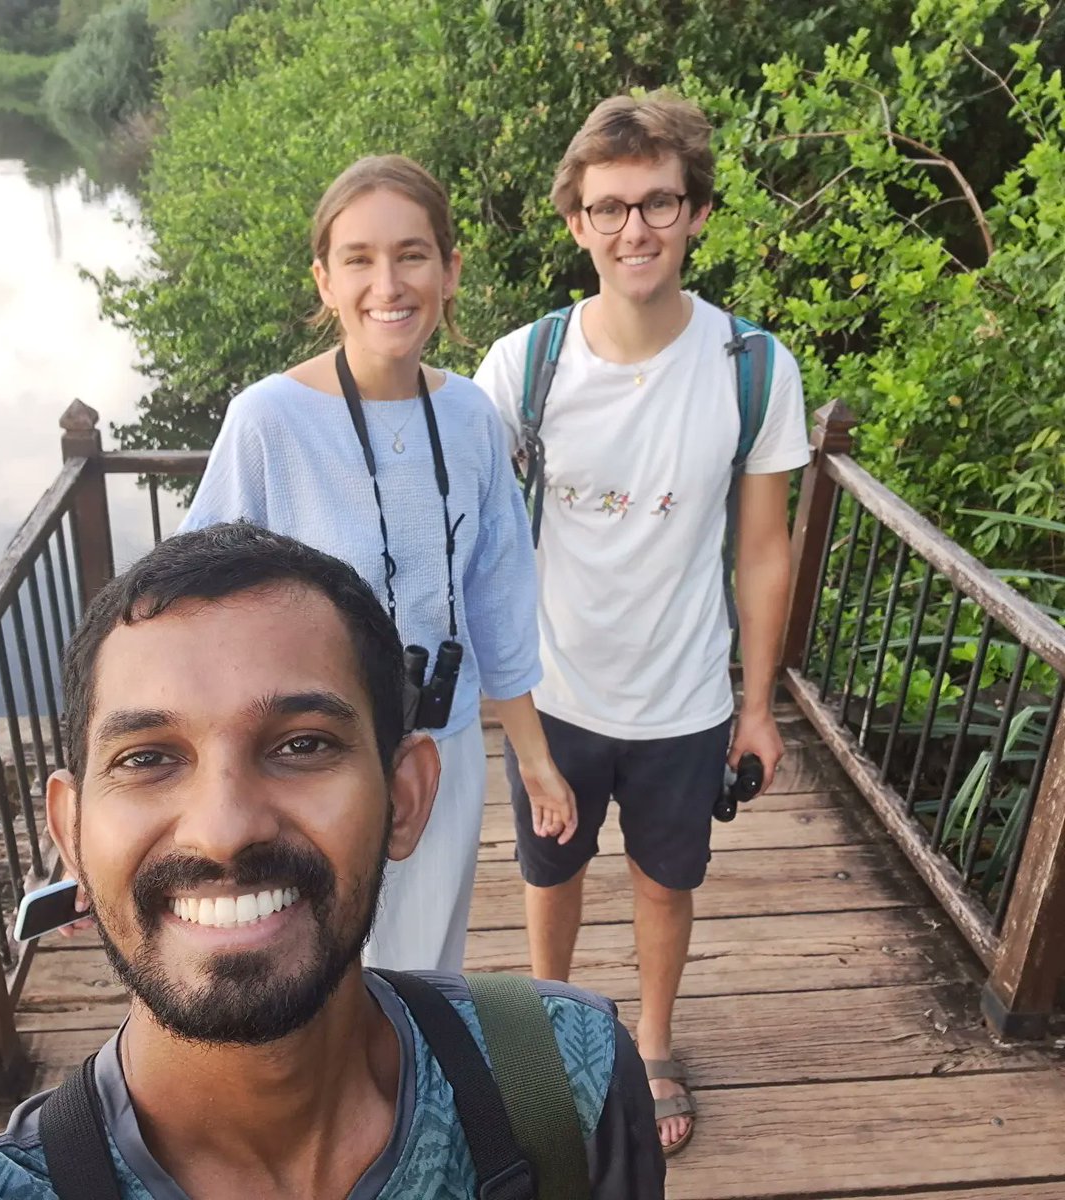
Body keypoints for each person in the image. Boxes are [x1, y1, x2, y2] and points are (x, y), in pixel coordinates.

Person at [0, 524, 664, 1199]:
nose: (224, 831)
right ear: (72, 829)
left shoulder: (565, 1078)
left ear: (406, 796)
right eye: (149, 757)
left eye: (303, 745)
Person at [475, 92, 811, 1156]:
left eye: (659, 203)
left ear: (698, 212)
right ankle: (546, 1039)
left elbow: (763, 551)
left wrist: (759, 707)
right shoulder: (524, 367)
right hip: (558, 692)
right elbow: (480, 546)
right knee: (549, 879)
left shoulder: (752, 368)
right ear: (576, 221)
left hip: (685, 698)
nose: (636, 231)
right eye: (610, 208)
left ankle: (654, 1043)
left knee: (669, 885)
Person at [177, 155, 575, 975]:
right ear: (325, 280)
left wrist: (534, 761)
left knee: (427, 961)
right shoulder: (268, 422)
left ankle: (412, 1099)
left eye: (412, 254)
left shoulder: (469, 417)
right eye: (358, 259)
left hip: (444, 743)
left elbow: (497, 597)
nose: (387, 283)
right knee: (314, 961)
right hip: (308, 757)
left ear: (449, 269)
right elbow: (189, 598)